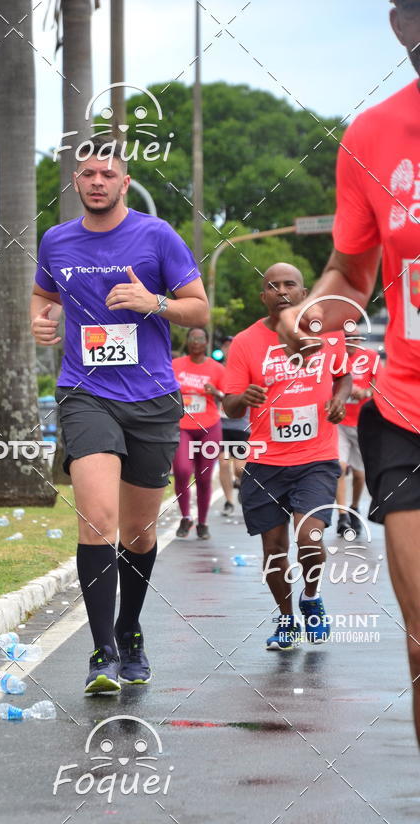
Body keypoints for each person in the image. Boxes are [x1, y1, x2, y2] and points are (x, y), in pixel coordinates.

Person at [277, 1, 420, 739]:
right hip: (405, 412)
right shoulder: (370, 137)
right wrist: (316, 313)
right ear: (402, 24)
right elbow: (349, 273)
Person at [30, 139, 209, 693]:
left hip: (152, 398)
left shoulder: (158, 237)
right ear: (77, 183)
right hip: (85, 393)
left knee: (136, 530)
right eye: (87, 173)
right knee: (96, 519)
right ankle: (102, 650)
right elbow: (41, 298)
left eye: (107, 173)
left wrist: (152, 302)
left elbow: (200, 307)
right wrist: (42, 322)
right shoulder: (56, 240)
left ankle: (130, 630)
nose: (97, 181)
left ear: (124, 182)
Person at [223, 263, 351, 650]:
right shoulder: (245, 342)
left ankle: (311, 596)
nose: (281, 290)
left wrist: (339, 399)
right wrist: (243, 398)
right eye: (272, 286)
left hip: (316, 457)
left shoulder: (325, 331)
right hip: (265, 462)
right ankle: (285, 619)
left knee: (309, 537)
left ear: (303, 291)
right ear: (263, 297)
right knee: (274, 549)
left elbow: (343, 374)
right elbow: (229, 404)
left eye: (289, 284)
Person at [172, 327, 225, 540]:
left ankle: (202, 523)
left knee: (203, 478)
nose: (196, 341)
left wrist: (217, 392)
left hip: (209, 427)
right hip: (182, 426)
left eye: (200, 338)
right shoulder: (175, 366)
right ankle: (186, 517)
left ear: (206, 342)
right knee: (183, 470)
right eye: (192, 338)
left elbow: (228, 397)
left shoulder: (217, 369)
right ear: (187, 342)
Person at [335, 332, 382, 537]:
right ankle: (342, 515)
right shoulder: (334, 358)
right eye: (347, 338)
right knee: (339, 467)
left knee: (359, 473)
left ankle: (354, 508)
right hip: (339, 422)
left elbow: (382, 386)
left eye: (355, 338)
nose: (352, 342)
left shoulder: (371, 357)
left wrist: (366, 392)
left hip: (363, 424)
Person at [218, 337, 249, 516]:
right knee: (223, 464)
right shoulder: (217, 369)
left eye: (232, 346)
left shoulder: (243, 369)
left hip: (240, 426)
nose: (229, 349)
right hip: (219, 425)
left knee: (239, 468)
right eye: (226, 346)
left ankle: (242, 485)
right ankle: (229, 501)